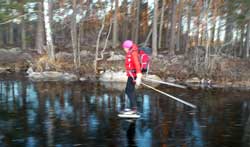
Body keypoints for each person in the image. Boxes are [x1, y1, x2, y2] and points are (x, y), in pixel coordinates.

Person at [122, 40, 142, 114]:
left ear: (128, 47)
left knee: (128, 91)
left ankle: (134, 109)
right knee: (130, 90)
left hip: (133, 75)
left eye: (124, 48)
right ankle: (133, 108)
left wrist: (138, 76)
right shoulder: (131, 52)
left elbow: (137, 64)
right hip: (131, 75)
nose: (124, 49)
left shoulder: (133, 53)